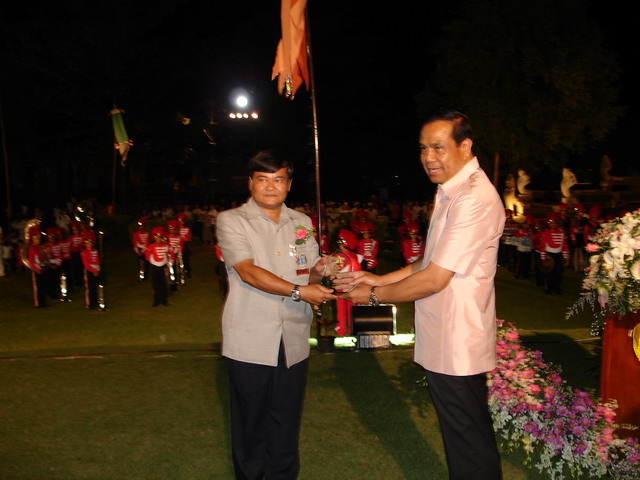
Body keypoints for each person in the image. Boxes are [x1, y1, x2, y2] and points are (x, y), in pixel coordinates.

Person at [337, 110, 504, 479]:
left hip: (457, 338)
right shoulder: (452, 190)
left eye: (438, 148)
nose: (428, 157)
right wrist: (379, 278)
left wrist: (374, 296)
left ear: (465, 147)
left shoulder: (472, 197)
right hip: (445, 332)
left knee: (469, 440)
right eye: (423, 148)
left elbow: (434, 279)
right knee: (462, 437)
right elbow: (429, 261)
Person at [216, 150, 336, 480]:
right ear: (250, 183)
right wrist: (300, 292)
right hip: (250, 336)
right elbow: (248, 271)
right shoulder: (231, 220)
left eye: (278, 180)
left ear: (289, 184)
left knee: (286, 417)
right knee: (250, 420)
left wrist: (324, 269)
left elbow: (308, 273)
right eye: (263, 180)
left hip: (293, 335)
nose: (271, 187)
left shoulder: (302, 222)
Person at [80, 237, 101, 309]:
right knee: (89, 287)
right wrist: (93, 270)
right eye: (88, 243)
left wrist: (97, 270)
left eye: (91, 243)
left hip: (96, 270)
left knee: (95, 287)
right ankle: (89, 303)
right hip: (89, 270)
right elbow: (86, 264)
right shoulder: (84, 252)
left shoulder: (95, 251)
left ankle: (96, 301)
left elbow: (97, 261)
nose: (90, 244)